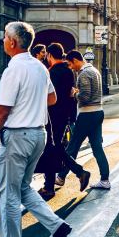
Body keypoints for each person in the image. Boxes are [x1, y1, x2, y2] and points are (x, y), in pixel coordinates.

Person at [0, 21, 72, 237]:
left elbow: (1, 113)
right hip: (38, 134)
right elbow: (52, 98)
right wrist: (31, 104)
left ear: (12, 42)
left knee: (8, 195)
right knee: (24, 188)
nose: (3, 40)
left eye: (5, 36)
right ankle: (57, 226)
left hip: (17, 136)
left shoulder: (13, 70)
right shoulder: (39, 67)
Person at [39, 43, 90, 199]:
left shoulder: (51, 73)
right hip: (64, 116)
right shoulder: (69, 72)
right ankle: (51, 184)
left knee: (52, 148)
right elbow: (70, 95)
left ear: (49, 55)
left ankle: (76, 173)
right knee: (54, 148)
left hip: (52, 116)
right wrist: (71, 116)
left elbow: (48, 96)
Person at [60, 49, 111, 190]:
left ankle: (60, 177)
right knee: (96, 147)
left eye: (70, 64)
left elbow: (85, 96)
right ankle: (105, 179)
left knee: (73, 146)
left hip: (87, 114)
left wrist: (75, 93)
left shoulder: (84, 73)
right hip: (98, 112)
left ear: (76, 60)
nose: (71, 67)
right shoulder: (95, 71)